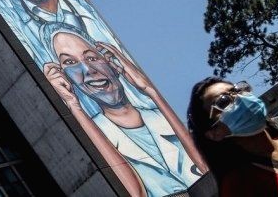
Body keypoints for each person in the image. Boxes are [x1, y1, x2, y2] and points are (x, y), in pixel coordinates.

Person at [42, 23, 206, 197]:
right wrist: (73, 105)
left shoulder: (161, 117)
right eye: (70, 62)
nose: (88, 71)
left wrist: (151, 91)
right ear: (63, 76)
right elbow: (134, 193)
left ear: (110, 61)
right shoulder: (95, 134)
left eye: (91, 58)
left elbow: (207, 170)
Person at [187, 77, 278, 196]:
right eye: (224, 101)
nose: (239, 98)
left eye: (238, 90)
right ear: (214, 133)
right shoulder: (238, 187)